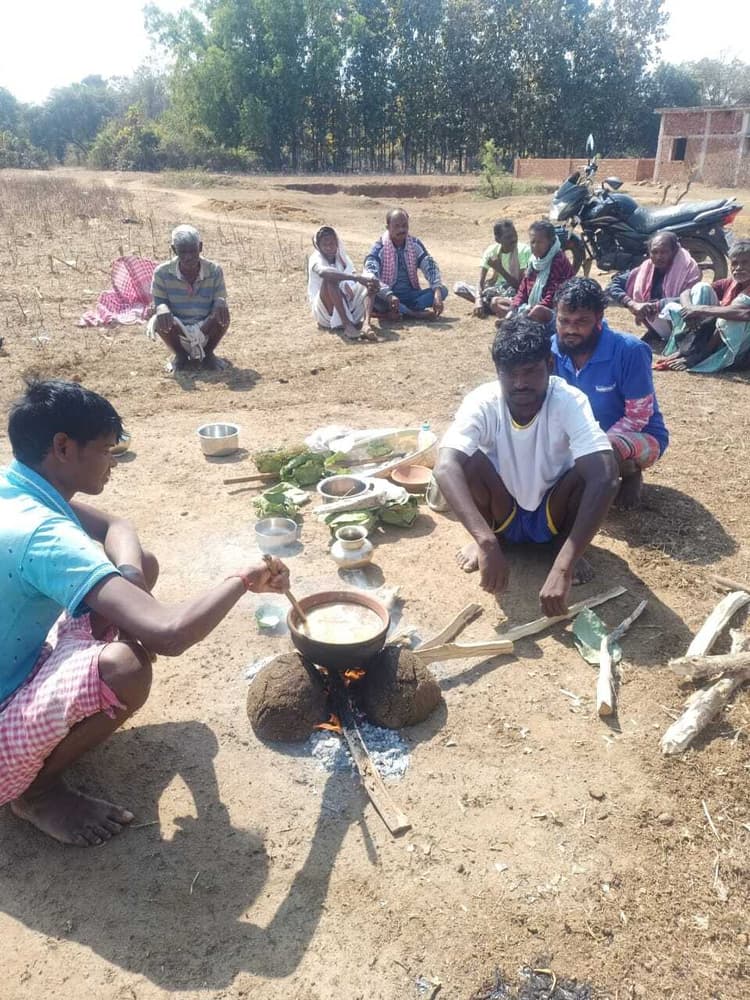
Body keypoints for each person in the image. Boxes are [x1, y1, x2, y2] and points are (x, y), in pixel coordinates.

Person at [0, 380, 289, 847]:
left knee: (137, 566)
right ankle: (35, 793)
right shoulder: (44, 534)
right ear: (62, 447)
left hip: (15, 661)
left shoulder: (15, 490)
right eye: (107, 451)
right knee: (127, 669)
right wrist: (243, 579)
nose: (112, 463)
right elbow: (168, 636)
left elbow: (118, 525)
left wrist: (131, 581)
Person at [434, 317, 619, 615]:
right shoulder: (483, 401)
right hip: (501, 509)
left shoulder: (569, 401)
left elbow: (607, 477)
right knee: (466, 459)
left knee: (596, 467)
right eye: (509, 374)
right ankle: (492, 540)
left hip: (553, 510)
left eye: (530, 372)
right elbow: (445, 467)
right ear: (498, 371)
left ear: (549, 363)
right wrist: (485, 541)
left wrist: (563, 568)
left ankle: (564, 548)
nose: (520, 384)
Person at [552, 277, 669, 510]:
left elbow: (638, 417)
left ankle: (629, 473)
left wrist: (592, 445)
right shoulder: (553, 349)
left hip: (639, 436)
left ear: (599, 319)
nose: (571, 329)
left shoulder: (629, 350)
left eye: (581, 321)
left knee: (605, 452)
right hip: (579, 437)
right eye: (564, 321)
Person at [655, 240, 750, 373]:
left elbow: (744, 313)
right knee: (701, 288)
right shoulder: (730, 283)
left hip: (742, 351)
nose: (738, 268)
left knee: (732, 314)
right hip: (714, 340)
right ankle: (690, 347)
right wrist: (690, 309)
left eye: (745, 263)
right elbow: (686, 292)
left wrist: (701, 309)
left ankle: (701, 355)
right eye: (735, 263)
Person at [147, 224, 230, 372]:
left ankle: (208, 354)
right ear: (174, 250)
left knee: (223, 312)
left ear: (201, 247)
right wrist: (161, 308)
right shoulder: (162, 272)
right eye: (182, 252)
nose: (188, 257)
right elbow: (159, 302)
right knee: (159, 318)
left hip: (207, 327)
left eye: (193, 251)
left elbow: (220, 297)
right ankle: (180, 356)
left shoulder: (214, 270)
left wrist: (220, 302)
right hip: (177, 330)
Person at [362, 208, 448, 333]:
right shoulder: (379, 247)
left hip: (410, 295)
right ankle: (413, 313)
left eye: (404, 226)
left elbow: (430, 266)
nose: (401, 230)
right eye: (396, 226)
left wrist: (437, 293)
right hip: (387, 296)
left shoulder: (414, 244)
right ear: (388, 227)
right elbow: (370, 275)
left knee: (443, 290)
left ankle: (404, 311)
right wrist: (389, 295)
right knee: (373, 296)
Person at [606, 231, 700, 338]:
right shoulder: (646, 269)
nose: (658, 257)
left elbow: (691, 298)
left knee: (672, 306)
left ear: (674, 252)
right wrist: (632, 304)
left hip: (683, 325)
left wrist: (655, 306)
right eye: (654, 252)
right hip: (657, 324)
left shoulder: (688, 269)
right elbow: (614, 285)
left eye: (664, 252)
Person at [491, 220, 575, 326]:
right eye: (532, 242)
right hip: (530, 307)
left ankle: (515, 323)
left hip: (556, 311)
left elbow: (552, 298)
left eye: (539, 242)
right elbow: (523, 289)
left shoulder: (558, 260)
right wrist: (514, 307)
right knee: (496, 302)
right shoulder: (533, 261)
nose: (534, 246)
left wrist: (526, 312)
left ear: (551, 241)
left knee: (538, 311)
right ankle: (517, 322)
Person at [307, 226, 379, 341]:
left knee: (370, 279)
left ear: (337, 243)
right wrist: (355, 278)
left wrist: (360, 280)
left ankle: (366, 324)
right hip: (326, 313)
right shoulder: (315, 259)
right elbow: (324, 272)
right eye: (325, 245)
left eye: (332, 243)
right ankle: (347, 325)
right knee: (330, 279)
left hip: (349, 305)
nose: (329, 248)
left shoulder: (342, 257)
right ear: (319, 247)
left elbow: (353, 281)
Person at [453, 219, 532, 317]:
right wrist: (478, 300)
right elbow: (480, 281)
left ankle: (495, 307)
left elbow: (520, 286)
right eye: (508, 237)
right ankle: (492, 307)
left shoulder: (524, 251)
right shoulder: (492, 251)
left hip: (514, 293)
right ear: (498, 240)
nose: (514, 239)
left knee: (495, 300)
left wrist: (500, 269)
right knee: (459, 287)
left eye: (515, 234)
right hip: (496, 290)